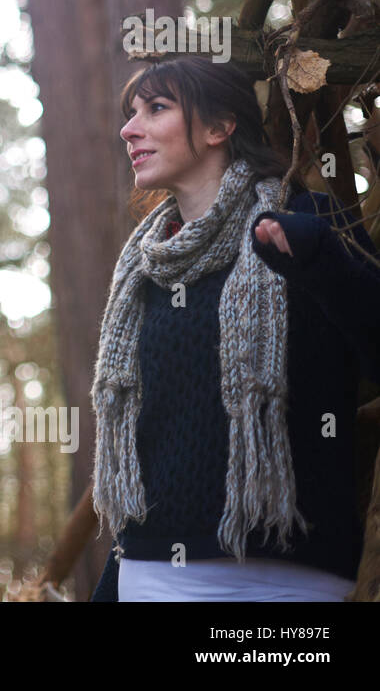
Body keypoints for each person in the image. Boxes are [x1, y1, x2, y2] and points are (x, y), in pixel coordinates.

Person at [88, 56, 380, 601]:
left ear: (221, 126)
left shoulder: (308, 225)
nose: (129, 129)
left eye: (156, 109)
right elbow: (153, 445)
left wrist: (322, 266)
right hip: (151, 578)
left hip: (290, 583)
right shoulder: (146, 269)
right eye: (131, 113)